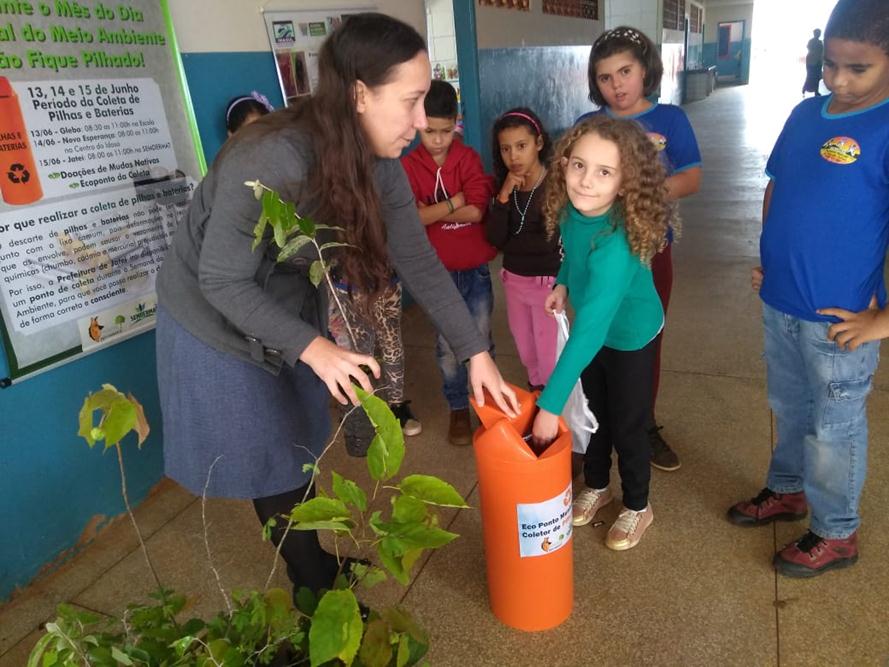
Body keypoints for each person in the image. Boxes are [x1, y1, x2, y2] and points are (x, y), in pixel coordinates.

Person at [155, 13, 517, 597]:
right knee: (267, 458)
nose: (422, 121)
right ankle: (315, 590)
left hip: (283, 302)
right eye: (411, 101)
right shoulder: (270, 158)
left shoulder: (379, 164)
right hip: (213, 314)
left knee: (295, 448)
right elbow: (221, 280)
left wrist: (475, 350)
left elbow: (419, 261)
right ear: (358, 94)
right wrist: (316, 348)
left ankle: (315, 566)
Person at [729, 0, 889, 578]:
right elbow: (778, 187)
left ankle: (837, 531)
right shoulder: (804, 116)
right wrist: (770, 259)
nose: (840, 81)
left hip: (840, 321)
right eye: (830, 65)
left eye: (859, 69)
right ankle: (789, 490)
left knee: (834, 427)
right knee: (790, 408)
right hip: (782, 302)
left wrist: (881, 321)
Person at [531, 115, 673, 551]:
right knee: (594, 416)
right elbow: (573, 251)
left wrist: (549, 405)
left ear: (625, 183)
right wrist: (563, 281)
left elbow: (589, 331)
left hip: (630, 336)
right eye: (578, 165)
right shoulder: (577, 212)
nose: (586, 181)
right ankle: (597, 484)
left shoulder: (617, 242)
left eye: (604, 172)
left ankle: (637, 505)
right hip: (597, 331)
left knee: (627, 424)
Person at [579, 26, 701, 472]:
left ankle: (642, 423)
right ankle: (595, 422)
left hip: (650, 255)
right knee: (594, 336)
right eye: (605, 77)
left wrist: (638, 193)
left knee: (645, 339)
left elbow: (691, 178)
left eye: (625, 71)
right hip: (596, 255)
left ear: (645, 70)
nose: (617, 84)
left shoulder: (670, 120)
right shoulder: (587, 127)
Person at [400, 80, 497, 446]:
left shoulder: (468, 158)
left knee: (481, 340)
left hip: (474, 269)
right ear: (417, 124)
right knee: (446, 346)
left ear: (457, 123)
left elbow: (478, 209)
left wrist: (435, 211)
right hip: (436, 274)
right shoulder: (409, 166)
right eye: (429, 132)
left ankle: (484, 406)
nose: (437, 140)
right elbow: (412, 219)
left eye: (445, 131)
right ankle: (458, 408)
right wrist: (455, 202)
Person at [486, 108, 561, 392]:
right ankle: (537, 395)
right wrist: (503, 197)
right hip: (513, 281)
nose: (513, 157)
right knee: (527, 351)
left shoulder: (554, 183)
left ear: (538, 144)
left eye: (521, 146)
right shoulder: (505, 186)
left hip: (546, 284)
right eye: (506, 149)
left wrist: (511, 242)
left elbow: (547, 241)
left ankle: (553, 414)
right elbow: (495, 238)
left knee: (549, 355)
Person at [327, 273, 422, 455]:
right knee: (358, 348)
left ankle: (397, 406)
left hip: (383, 276)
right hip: (344, 280)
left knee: (391, 339)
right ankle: (366, 409)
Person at [802, 28, 825, 96]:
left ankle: (815, 90)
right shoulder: (813, 42)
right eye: (817, 33)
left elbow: (822, 51)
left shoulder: (818, 42)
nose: (818, 34)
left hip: (816, 61)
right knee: (811, 75)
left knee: (816, 77)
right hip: (812, 61)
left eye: (819, 33)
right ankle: (805, 88)